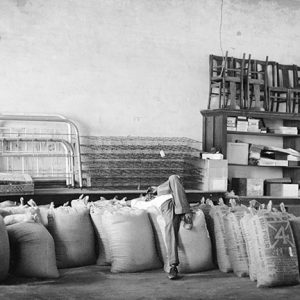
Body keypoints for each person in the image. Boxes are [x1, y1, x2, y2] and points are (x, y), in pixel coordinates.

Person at [125, 175, 193, 280]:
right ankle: (173, 265)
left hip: (175, 194)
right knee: (170, 226)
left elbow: (176, 180)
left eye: (150, 192)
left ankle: (186, 213)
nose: (149, 195)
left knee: (173, 177)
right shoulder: (143, 202)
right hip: (167, 205)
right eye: (147, 194)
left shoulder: (162, 189)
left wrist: (157, 190)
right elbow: (127, 202)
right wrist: (116, 201)